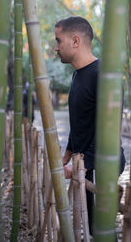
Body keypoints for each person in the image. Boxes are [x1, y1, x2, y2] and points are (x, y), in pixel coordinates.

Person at [54, 16, 125, 235]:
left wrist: (84, 164)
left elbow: (109, 128)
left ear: (75, 41)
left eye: (59, 40)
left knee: (101, 229)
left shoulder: (103, 74)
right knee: (91, 229)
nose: (56, 48)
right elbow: (80, 122)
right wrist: (66, 154)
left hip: (102, 161)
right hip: (83, 162)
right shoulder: (77, 75)